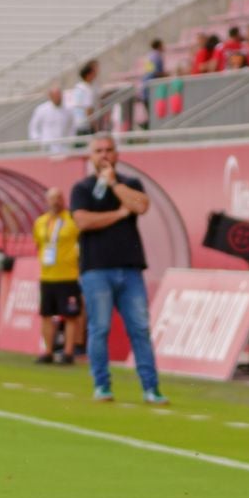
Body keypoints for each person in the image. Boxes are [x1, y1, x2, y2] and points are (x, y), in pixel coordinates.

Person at [70, 134, 166, 405]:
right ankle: (102, 385)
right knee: (99, 328)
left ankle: (151, 387)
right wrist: (119, 214)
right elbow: (82, 221)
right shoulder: (82, 188)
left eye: (109, 150)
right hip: (96, 269)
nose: (104, 155)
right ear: (90, 155)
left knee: (140, 328)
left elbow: (141, 205)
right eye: (98, 150)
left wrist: (114, 184)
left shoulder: (131, 183)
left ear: (117, 154)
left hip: (129, 268)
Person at [33, 187, 84, 364]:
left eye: (59, 198)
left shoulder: (72, 220)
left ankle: (68, 352)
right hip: (47, 275)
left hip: (68, 275)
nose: (56, 201)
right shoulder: (40, 222)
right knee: (46, 314)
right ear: (46, 201)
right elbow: (39, 245)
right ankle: (48, 351)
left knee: (70, 315)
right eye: (52, 198)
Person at [28, 86, 76, 150]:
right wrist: (37, 141)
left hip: (64, 147)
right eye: (55, 96)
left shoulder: (68, 110)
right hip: (47, 146)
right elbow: (33, 127)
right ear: (50, 96)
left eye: (59, 96)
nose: (58, 98)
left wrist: (71, 140)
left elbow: (72, 126)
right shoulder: (41, 109)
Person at [65, 60, 100, 136]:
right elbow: (88, 109)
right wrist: (95, 127)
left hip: (77, 124)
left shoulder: (78, 87)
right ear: (88, 75)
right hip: (86, 126)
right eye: (94, 72)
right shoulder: (87, 89)